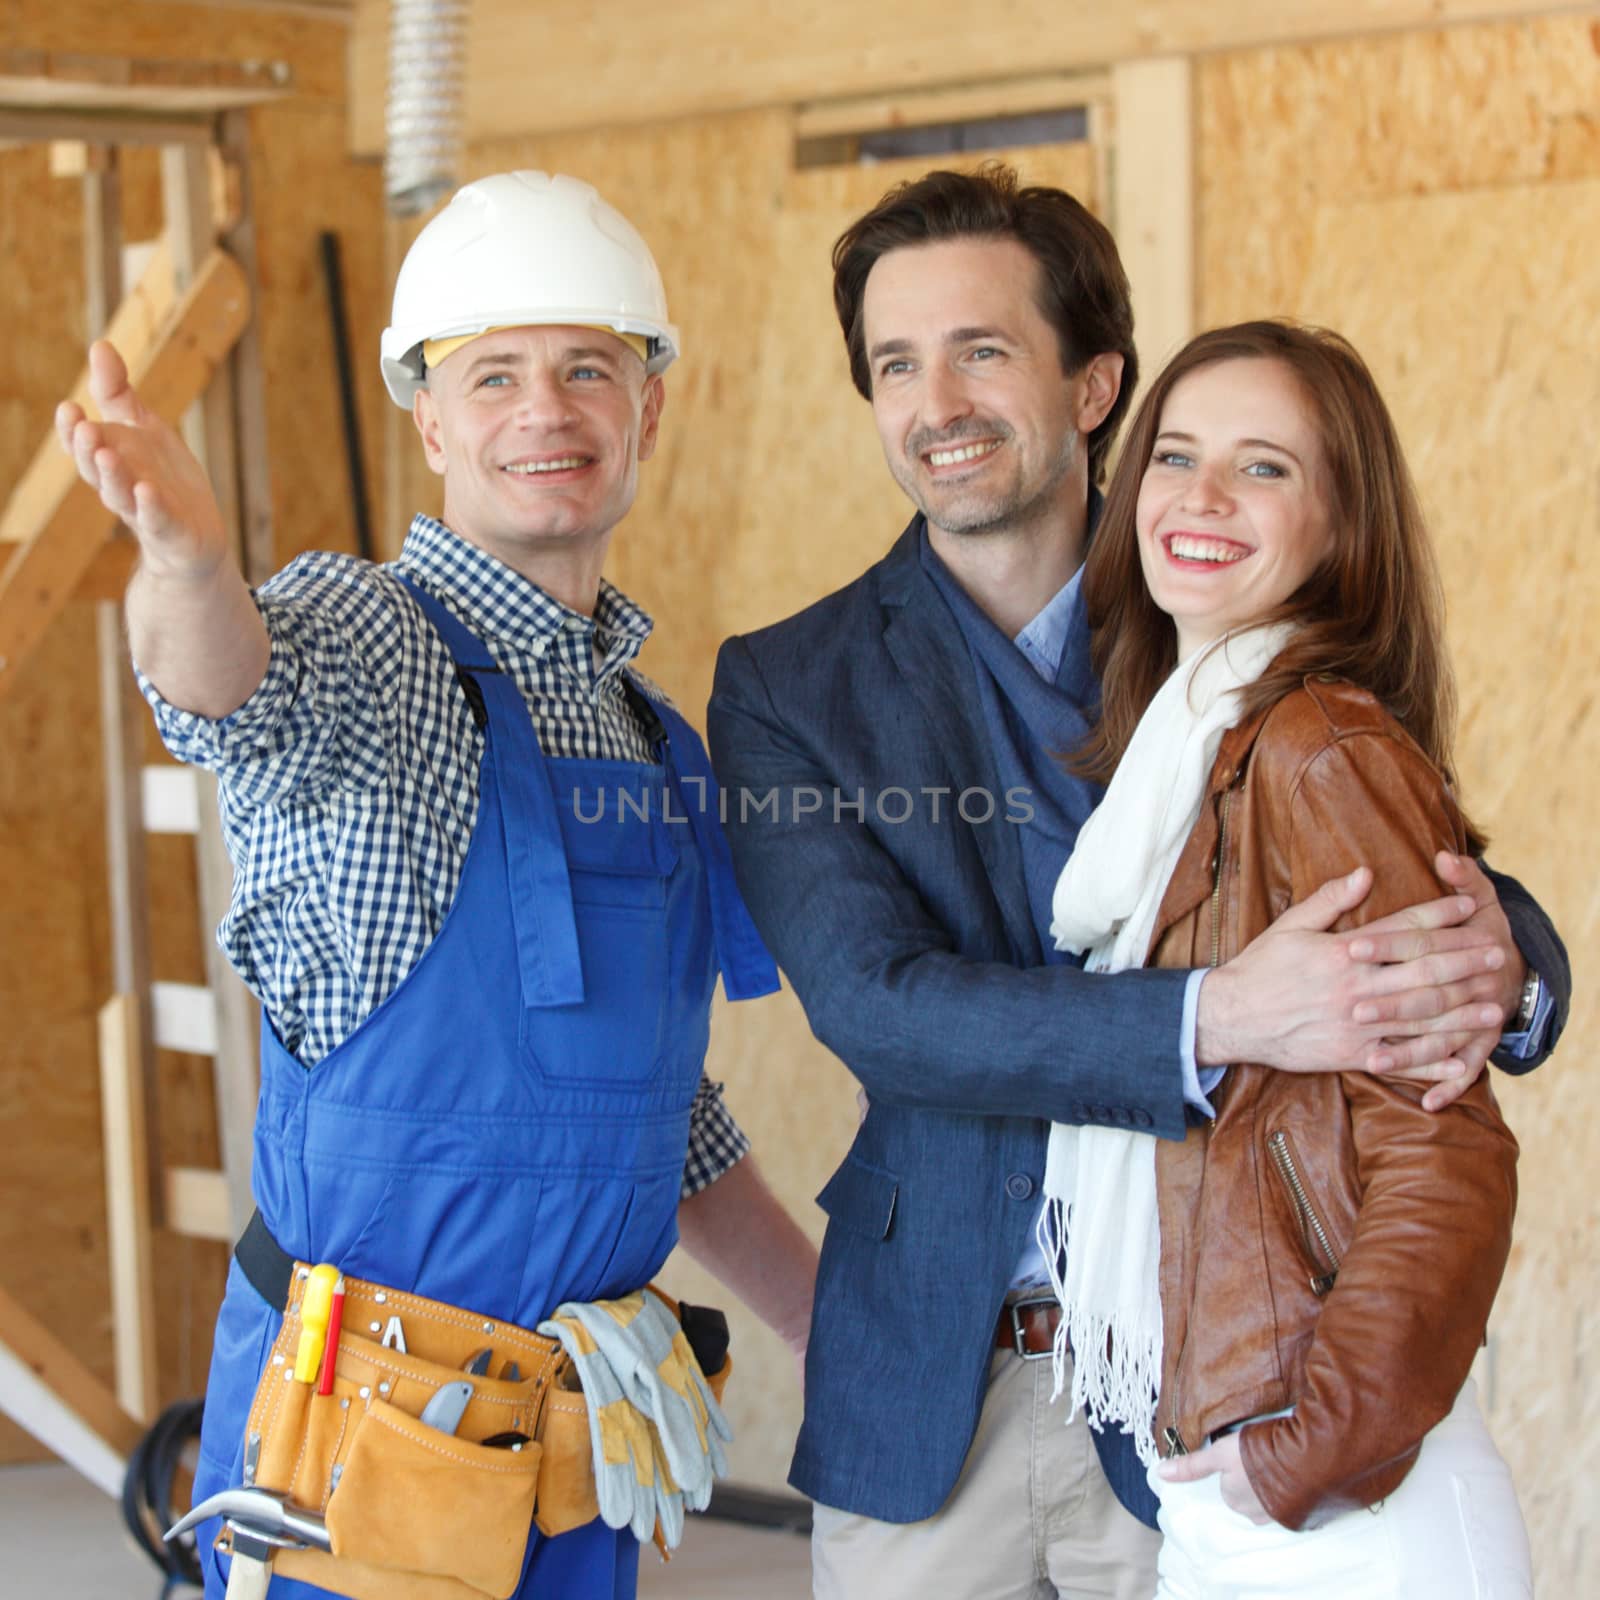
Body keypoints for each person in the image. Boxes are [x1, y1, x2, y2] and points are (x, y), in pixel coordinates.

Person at [705, 164, 1567, 1599]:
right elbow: (879, 1009)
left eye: (983, 350)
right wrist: (1215, 1017)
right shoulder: (789, 687)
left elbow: (1365, 820)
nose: (939, 405)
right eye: (896, 365)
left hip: (1207, 1372)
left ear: (1096, 383)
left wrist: (1510, 963)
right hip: (936, 1384)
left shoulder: (1212, 598)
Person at [56, 170, 817, 1600]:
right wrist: (185, 563)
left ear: (648, 409)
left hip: (576, 1457)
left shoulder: (657, 740)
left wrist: (815, 1312)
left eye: (589, 369)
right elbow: (231, 688)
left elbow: (663, 1107)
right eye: (496, 376)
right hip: (356, 1460)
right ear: (431, 420)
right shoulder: (376, 643)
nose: (548, 412)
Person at [1043, 319, 1530, 1596]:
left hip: (1343, 1505)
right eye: (1176, 455)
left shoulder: (1318, 750)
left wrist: (1313, 1447)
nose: (1199, 496)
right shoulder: (1190, 742)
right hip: (1225, 1476)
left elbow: (1443, 1145)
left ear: (1339, 523)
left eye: (1263, 467)